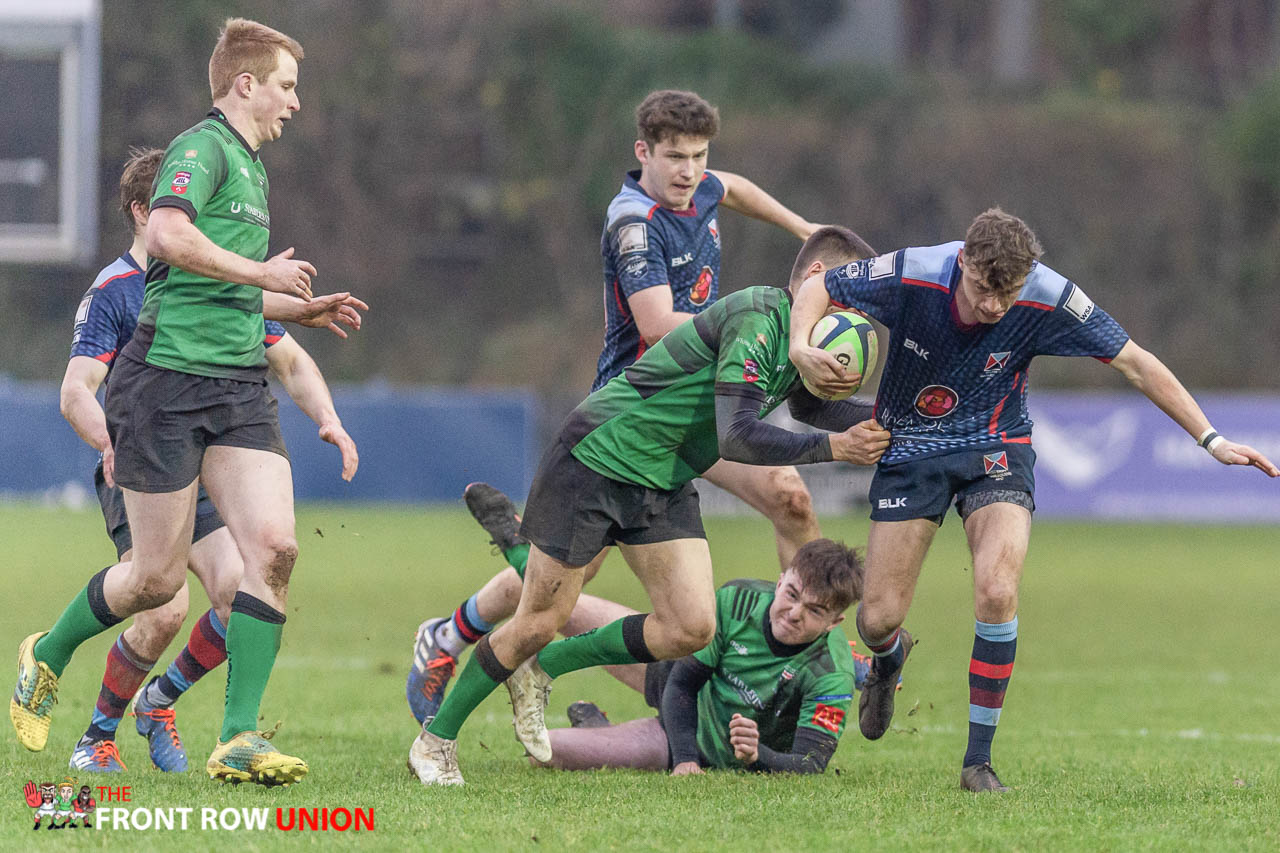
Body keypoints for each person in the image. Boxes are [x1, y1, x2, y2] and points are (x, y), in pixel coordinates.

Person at [786, 207, 1279, 793]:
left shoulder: (1048, 296)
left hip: (998, 445)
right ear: (962, 262)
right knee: (877, 620)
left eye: (1008, 293)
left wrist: (1211, 438)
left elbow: (1135, 362)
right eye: (982, 290)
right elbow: (817, 283)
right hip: (910, 445)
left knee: (998, 588)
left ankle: (977, 763)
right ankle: (889, 659)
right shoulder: (914, 272)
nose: (995, 306)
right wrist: (798, 346)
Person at [409, 226, 891, 786]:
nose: (855, 319)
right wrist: (837, 449)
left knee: (691, 627)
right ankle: (435, 741)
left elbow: (809, 409)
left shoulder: (795, 347)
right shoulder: (761, 318)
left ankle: (545, 670)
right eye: (850, 299)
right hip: (599, 457)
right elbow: (735, 435)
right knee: (540, 620)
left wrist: (899, 422)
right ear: (815, 280)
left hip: (661, 477)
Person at [407, 88, 829, 722]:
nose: (690, 172)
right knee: (563, 582)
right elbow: (659, 325)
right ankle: (451, 633)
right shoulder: (633, 221)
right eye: (675, 157)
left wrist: (805, 231)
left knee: (789, 496)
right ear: (644, 153)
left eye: (699, 156)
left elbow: (734, 188)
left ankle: (813, 649)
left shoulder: (702, 185)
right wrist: (751, 328)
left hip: (699, 403)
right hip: (637, 414)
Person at [10, 19, 348, 787]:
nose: (296, 103)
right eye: (288, 86)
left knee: (275, 550)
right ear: (245, 85)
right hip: (162, 386)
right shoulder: (201, 146)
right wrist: (264, 276)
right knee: (155, 584)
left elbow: (219, 285)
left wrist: (299, 310)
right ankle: (50, 650)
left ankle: (237, 737)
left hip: (235, 389)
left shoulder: (254, 171)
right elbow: (166, 234)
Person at [57, 147, 359, 774]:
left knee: (241, 583)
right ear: (147, 212)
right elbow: (75, 390)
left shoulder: (218, 284)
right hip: (144, 452)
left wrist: (328, 418)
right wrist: (109, 442)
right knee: (161, 602)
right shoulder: (116, 291)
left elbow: (292, 359)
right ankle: (96, 733)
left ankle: (160, 703)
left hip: (208, 451)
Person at [534, 538, 866, 775]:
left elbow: (810, 762)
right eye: (791, 594)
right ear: (780, 583)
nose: (794, 613)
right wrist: (685, 760)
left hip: (679, 743)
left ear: (833, 623)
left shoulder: (832, 672)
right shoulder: (738, 600)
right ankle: (523, 560)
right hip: (675, 694)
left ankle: (598, 730)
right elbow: (683, 682)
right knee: (562, 605)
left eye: (814, 610)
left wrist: (756, 756)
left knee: (544, 750)